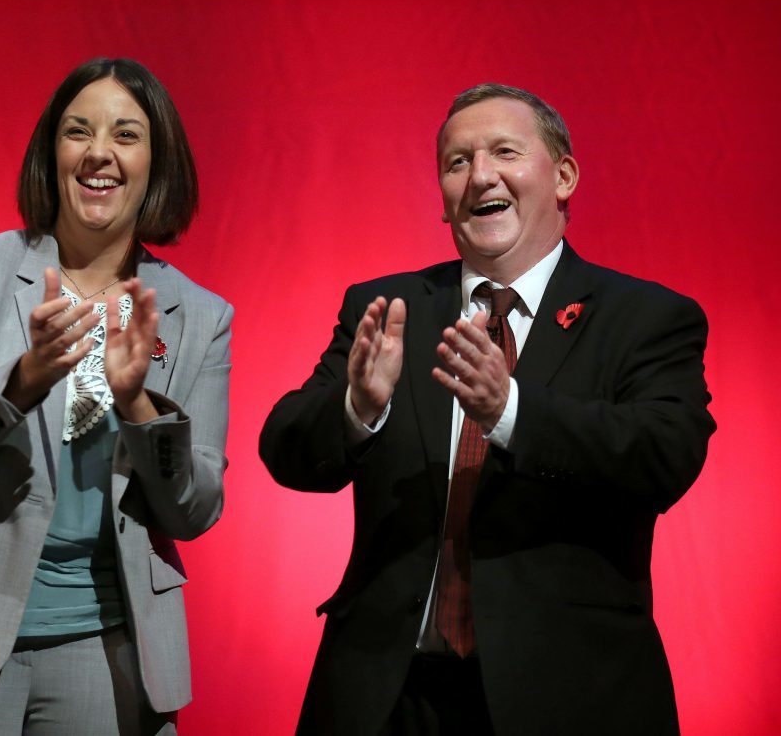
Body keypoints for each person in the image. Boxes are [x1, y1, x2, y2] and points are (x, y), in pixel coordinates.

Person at [259, 83, 715, 736]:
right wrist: (356, 406)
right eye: (456, 162)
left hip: (569, 695)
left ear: (563, 176)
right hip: (389, 695)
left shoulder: (644, 317)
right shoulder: (388, 309)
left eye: (504, 151)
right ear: (443, 201)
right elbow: (285, 445)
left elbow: (665, 453)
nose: (480, 176)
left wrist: (512, 411)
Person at [0, 58, 232, 735]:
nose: (98, 153)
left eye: (125, 135)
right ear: (52, 152)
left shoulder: (201, 315)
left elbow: (195, 507)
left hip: (106, 643)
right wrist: (24, 379)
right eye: (77, 131)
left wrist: (138, 403)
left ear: (157, 161)